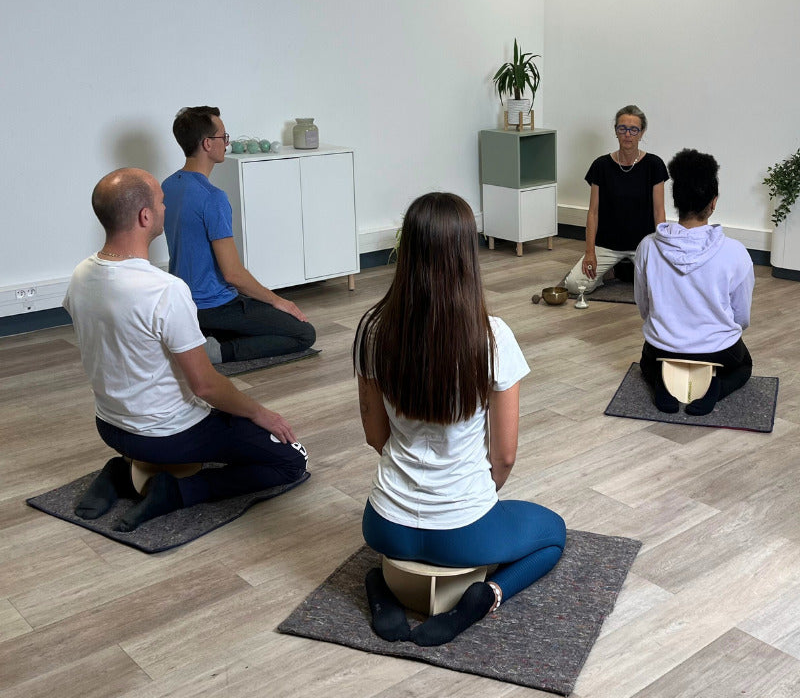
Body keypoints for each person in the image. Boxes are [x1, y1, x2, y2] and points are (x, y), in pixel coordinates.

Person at [353, 192, 566, 647]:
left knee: (393, 553)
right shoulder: (492, 336)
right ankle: (485, 597)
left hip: (383, 522)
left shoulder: (373, 330)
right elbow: (504, 456)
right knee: (552, 533)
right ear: (467, 254)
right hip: (462, 531)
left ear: (405, 249)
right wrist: (470, 502)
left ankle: (381, 591)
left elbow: (375, 435)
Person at [63, 168, 308, 532]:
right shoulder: (164, 289)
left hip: (110, 426)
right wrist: (261, 413)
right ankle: (177, 491)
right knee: (291, 461)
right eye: (161, 202)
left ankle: (123, 473)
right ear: (145, 217)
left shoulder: (81, 274)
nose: (165, 208)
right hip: (168, 436)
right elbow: (206, 386)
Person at [162, 106, 316, 363]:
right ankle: (219, 351)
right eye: (224, 137)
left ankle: (202, 337)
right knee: (303, 334)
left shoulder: (168, 186)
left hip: (182, 305)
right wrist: (279, 301)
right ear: (208, 143)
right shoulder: (213, 198)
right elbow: (233, 274)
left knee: (259, 311)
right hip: (214, 306)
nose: (227, 143)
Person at [634, 149, 755, 415]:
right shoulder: (736, 252)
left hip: (661, 348)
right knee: (744, 365)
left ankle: (661, 385)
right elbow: (742, 316)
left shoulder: (647, 247)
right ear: (713, 202)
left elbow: (644, 306)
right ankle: (715, 387)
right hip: (719, 352)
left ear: (675, 200)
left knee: (647, 363)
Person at [565, 105, 668, 295]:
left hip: (644, 245)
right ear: (616, 131)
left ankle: (622, 270)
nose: (627, 134)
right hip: (607, 244)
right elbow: (593, 212)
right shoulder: (601, 166)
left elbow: (659, 211)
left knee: (662, 289)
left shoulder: (654, 165)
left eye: (633, 129)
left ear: (641, 132)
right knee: (574, 285)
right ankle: (613, 269)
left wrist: (660, 251)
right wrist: (590, 252)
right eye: (622, 129)